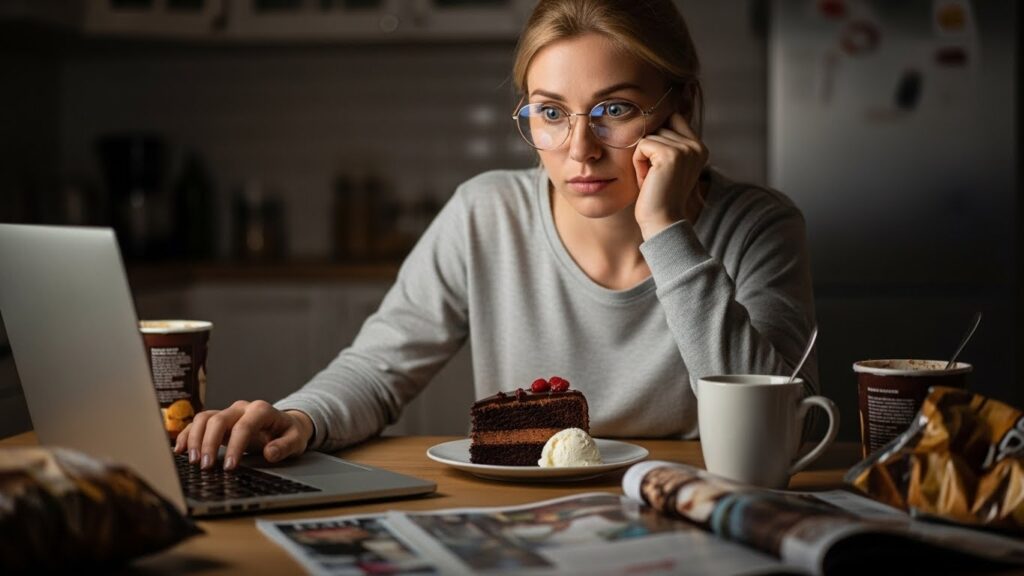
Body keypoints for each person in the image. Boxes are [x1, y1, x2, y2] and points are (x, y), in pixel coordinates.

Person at [176, 0, 818, 471]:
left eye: (614, 109)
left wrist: (666, 227)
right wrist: (301, 417)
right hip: (520, 515)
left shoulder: (758, 227)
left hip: (686, 511)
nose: (579, 150)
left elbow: (778, 434)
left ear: (679, 109)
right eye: (550, 112)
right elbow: (378, 368)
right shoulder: (485, 214)